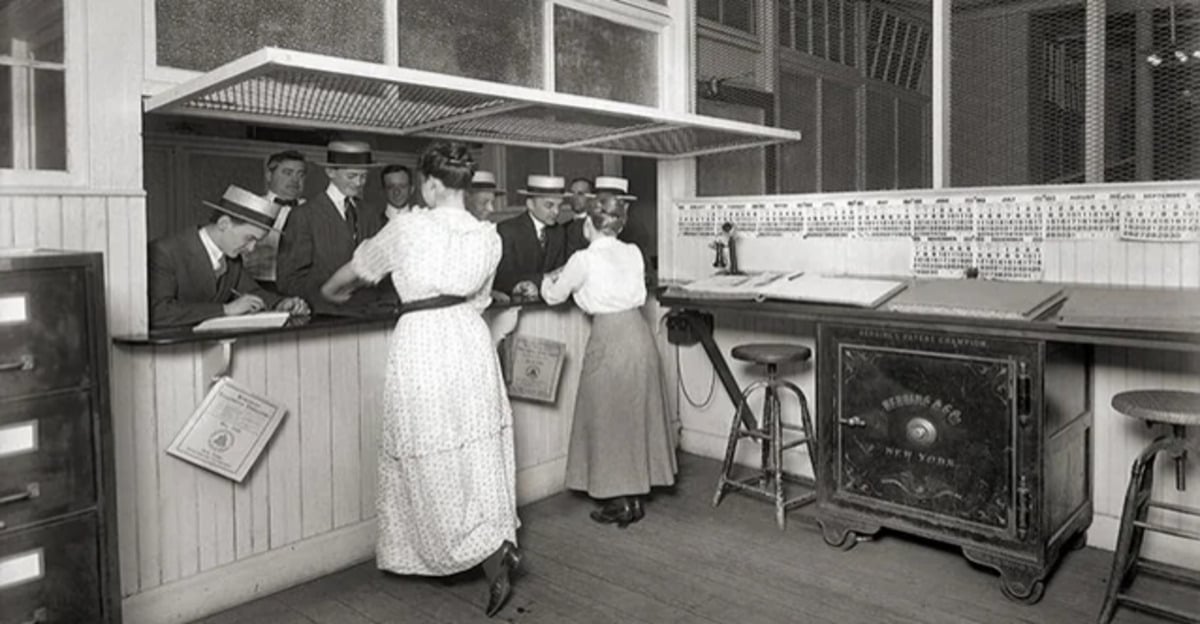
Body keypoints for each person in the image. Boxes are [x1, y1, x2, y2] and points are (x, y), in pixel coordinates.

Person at [319, 142, 520, 617]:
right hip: (469, 338)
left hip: (423, 341)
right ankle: (493, 548)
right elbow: (481, 298)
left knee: (427, 447)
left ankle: (452, 549)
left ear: (429, 184)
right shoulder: (487, 236)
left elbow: (355, 272)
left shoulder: (406, 227)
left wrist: (330, 292)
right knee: (477, 449)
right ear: (464, 186)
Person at [540, 192, 677, 527]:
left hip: (608, 338)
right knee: (633, 413)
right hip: (638, 334)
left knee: (606, 417)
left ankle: (620, 501)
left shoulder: (582, 260)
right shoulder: (632, 253)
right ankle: (635, 495)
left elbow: (554, 297)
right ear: (619, 224)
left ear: (589, 223)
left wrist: (548, 280)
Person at [148, 185, 310, 329]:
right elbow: (158, 312)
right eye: (249, 238)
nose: (251, 248)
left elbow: (252, 291)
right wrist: (225, 310)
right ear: (224, 223)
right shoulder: (164, 251)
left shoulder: (231, 257)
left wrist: (281, 304)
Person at [277, 140, 393, 312]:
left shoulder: (371, 214)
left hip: (369, 315)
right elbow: (289, 280)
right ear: (330, 172)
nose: (359, 183)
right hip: (325, 318)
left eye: (363, 176)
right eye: (351, 176)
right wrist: (324, 298)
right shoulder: (303, 215)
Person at [494, 174, 568, 298]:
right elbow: (501, 278)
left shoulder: (559, 232)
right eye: (549, 205)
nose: (556, 212)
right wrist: (544, 278)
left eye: (559, 206)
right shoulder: (507, 231)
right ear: (530, 204)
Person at [242, 150, 308, 288]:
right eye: (287, 173)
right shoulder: (250, 207)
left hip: (301, 286)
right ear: (269, 175)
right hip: (257, 284)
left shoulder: (313, 211)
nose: (295, 180)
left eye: (300, 174)